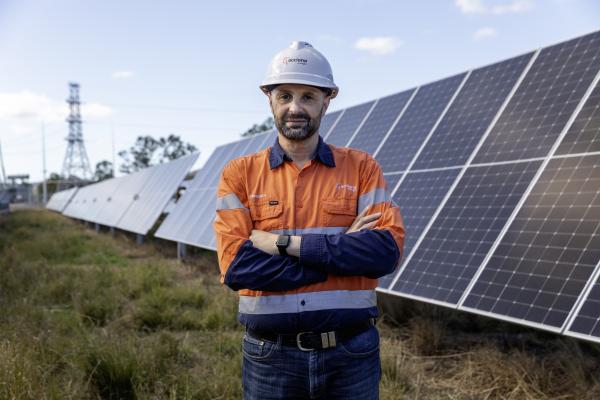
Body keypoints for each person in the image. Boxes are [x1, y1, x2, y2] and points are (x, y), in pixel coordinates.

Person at [214, 41, 404, 399]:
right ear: (269, 98)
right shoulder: (239, 174)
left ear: (327, 100)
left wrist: (284, 244)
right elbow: (238, 269)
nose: (295, 107)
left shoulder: (362, 168)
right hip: (271, 357)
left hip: (351, 354)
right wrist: (339, 257)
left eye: (308, 96)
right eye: (284, 95)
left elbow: (383, 252)